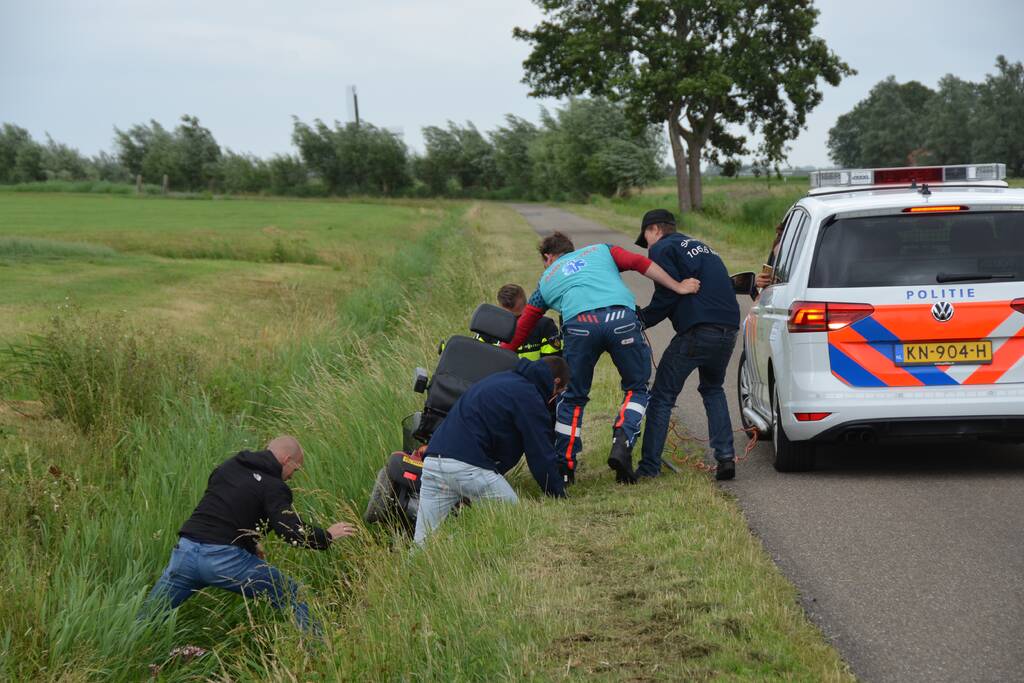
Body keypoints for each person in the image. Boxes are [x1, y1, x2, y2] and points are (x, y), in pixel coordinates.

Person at [502, 232, 700, 484]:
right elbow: (641, 264)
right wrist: (678, 285)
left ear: (547, 257)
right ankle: (622, 441)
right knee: (636, 388)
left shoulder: (545, 280)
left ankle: (565, 467)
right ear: (571, 249)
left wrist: (503, 351)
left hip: (579, 326)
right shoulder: (601, 250)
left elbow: (525, 325)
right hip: (621, 320)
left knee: (572, 397)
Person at [142, 436, 355, 632]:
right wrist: (326, 536)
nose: (291, 477)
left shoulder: (229, 466)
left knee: (147, 619)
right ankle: (318, 656)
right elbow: (289, 529)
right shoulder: (274, 486)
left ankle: (129, 654)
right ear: (286, 459)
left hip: (185, 553)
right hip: (223, 560)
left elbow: (228, 504)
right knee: (294, 595)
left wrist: (250, 543)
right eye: (295, 469)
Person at [414, 357, 570, 544]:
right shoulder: (529, 396)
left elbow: (502, 446)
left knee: (423, 543)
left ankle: (419, 566)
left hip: (433, 462)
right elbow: (540, 454)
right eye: (560, 392)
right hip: (465, 466)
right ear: (556, 382)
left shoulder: (502, 379)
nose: (556, 396)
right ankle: (478, 554)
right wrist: (557, 494)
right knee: (513, 517)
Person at [634, 209, 741, 481]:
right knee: (712, 388)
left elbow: (667, 293)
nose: (647, 245)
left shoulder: (661, 248)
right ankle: (725, 457)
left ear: (655, 230)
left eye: (645, 237)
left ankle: (649, 468)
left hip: (698, 331)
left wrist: (640, 320)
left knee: (661, 397)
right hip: (728, 329)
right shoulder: (704, 248)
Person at [476, 283, 562, 360]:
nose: (517, 323)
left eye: (520, 317)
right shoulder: (487, 328)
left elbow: (552, 366)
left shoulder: (545, 326)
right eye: (508, 318)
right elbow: (476, 359)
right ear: (499, 309)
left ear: (527, 306)